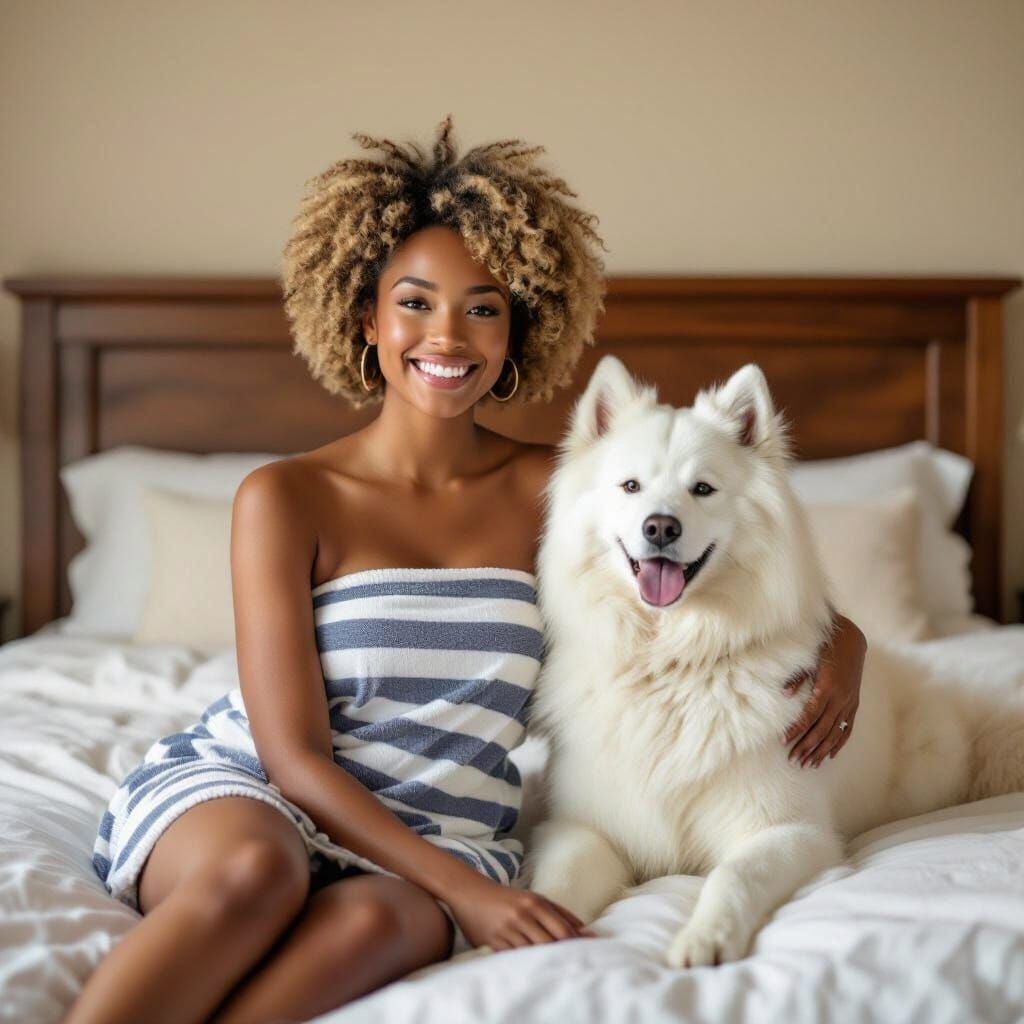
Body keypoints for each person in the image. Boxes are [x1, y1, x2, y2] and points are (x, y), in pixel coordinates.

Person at [68, 117, 865, 1024]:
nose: (446, 335)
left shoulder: (558, 490)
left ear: (518, 329)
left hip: (442, 827)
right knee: (258, 874)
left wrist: (848, 639)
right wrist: (471, 895)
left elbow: (724, 562)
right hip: (257, 793)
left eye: (482, 307)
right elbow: (291, 756)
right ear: (366, 317)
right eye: (414, 301)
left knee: (377, 927)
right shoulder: (285, 496)